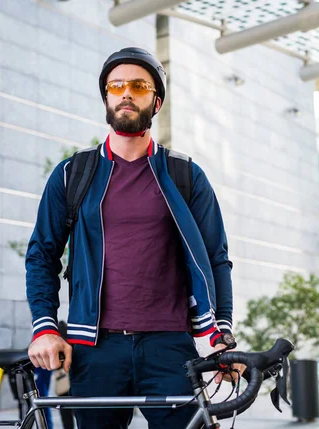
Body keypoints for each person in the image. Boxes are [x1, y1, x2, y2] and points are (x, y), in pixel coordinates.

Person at [25, 47, 239, 429]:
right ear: (106, 97)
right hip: (93, 348)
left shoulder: (186, 175)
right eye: (116, 85)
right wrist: (44, 326)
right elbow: (42, 254)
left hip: (170, 348)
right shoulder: (73, 174)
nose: (126, 93)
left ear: (156, 102)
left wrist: (221, 333)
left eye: (139, 86)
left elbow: (215, 258)